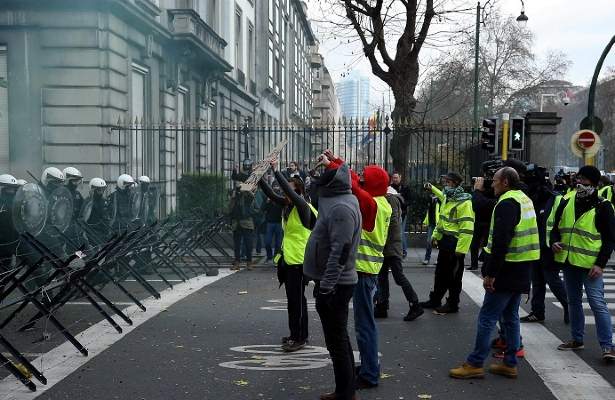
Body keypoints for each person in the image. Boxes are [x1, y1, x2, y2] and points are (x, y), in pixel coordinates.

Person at [450, 167, 540, 379]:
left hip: (506, 269)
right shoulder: (523, 199)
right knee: (510, 316)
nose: (492, 184)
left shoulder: (507, 203)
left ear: (506, 182)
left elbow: (501, 242)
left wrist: (491, 273)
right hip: (521, 267)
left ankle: (475, 363)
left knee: (488, 317)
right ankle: (509, 363)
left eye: (496, 181)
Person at [324, 152, 391, 390]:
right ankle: (369, 367)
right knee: (364, 324)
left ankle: (370, 373)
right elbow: (354, 180)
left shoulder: (374, 204)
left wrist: (336, 166)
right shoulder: (380, 200)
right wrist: (337, 162)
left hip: (364, 270)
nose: (361, 180)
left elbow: (353, 186)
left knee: (364, 325)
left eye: (365, 179)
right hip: (367, 270)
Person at [303, 160, 361, 400]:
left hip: (336, 285)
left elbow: (341, 251)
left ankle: (345, 392)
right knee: (339, 339)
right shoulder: (338, 201)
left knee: (337, 342)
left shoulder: (340, 208)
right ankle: (346, 389)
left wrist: (326, 287)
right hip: (334, 283)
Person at [550, 165, 615, 360]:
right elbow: (556, 227)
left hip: (591, 265)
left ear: (594, 184)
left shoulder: (604, 206)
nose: (579, 183)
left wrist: (600, 264)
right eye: (578, 179)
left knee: (597, 303)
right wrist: (554, 241)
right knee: (574, 302)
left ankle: (607, 346)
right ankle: (576, 339)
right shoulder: (567, 201)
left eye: (584, 180)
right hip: (569, 262)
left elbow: (610, 239)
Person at [259, 161, 317, 352]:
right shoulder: (289, 205)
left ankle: (298, 337)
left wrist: (276, 171)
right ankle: (298, 335)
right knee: (296, 300)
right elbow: (272, 194)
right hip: (289, 259)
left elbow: (288, 192)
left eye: (290, 190)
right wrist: (259, 178)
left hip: (299, 260)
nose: (285, 194)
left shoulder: (302, 206)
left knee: (296, 301)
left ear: (298, 192)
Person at [419, 172, 474, 315]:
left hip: (455, 243)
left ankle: (452, 304)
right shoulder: (447, 198)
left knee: (454, 276)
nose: (445, 184)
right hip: (445, 241)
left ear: (455, 183)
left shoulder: (464, 202)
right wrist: (435, 236)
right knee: (440, 273)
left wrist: (461, 250)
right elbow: (442, 220)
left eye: (448, 182)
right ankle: (435, 299)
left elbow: (467, 228)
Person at [520, 182, 569, 324]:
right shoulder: (531, 200)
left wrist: (555, 240)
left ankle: (569, 306)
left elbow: (559, 223)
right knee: (537, 281)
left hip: (549, 248)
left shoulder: (555, 200)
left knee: (552, 280)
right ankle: (537, 312)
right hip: (536, 247)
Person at [375, 186, 424, 321]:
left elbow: (392, 224)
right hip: (389, 245)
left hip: (390, 246)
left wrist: (383, 242)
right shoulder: (391, 199)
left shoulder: (390, 199)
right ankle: (382, 305)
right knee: (382, 276)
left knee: (398, 276)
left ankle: (415, 305)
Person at [228, 185, 258, 270]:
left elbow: (254, 204)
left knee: (248, 244)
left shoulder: (248, 197)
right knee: (237, 245)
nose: (240, 190)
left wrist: (247, 191)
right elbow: (229, 209)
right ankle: (237, 263)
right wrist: (233, 198)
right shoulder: (234, 198)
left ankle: (249, 262)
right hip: (236, 224)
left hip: (247, 223)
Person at [390, 172, 411, 258]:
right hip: (392, 213)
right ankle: (398, 250)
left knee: (401, 232)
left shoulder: (405, 188)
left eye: (396, 177)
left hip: (402, 213)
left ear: (400, 177)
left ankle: (403, 251)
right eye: (394, 178)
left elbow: (409, 201)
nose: (395, 179)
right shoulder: (390, 188)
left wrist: (400, 199)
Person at [261, 184, 283, 263]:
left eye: (277, 186)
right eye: (274, 187)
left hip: (279, 223)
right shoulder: (268, 198)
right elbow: (262, 209)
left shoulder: (281, 198)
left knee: (278, 243)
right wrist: (267, 202)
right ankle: (269, 256)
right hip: (269, 223)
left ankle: (275, 258)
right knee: (267, 242)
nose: (275, 188)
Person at [422, 185, 441, 265]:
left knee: (439, 242)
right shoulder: (430, 200)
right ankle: (427, 258)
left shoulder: (440, 200)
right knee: (429, 242)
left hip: (439, 223)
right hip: (432, 223)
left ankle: (439, 259)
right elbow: (428, 212)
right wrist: (426, 221)